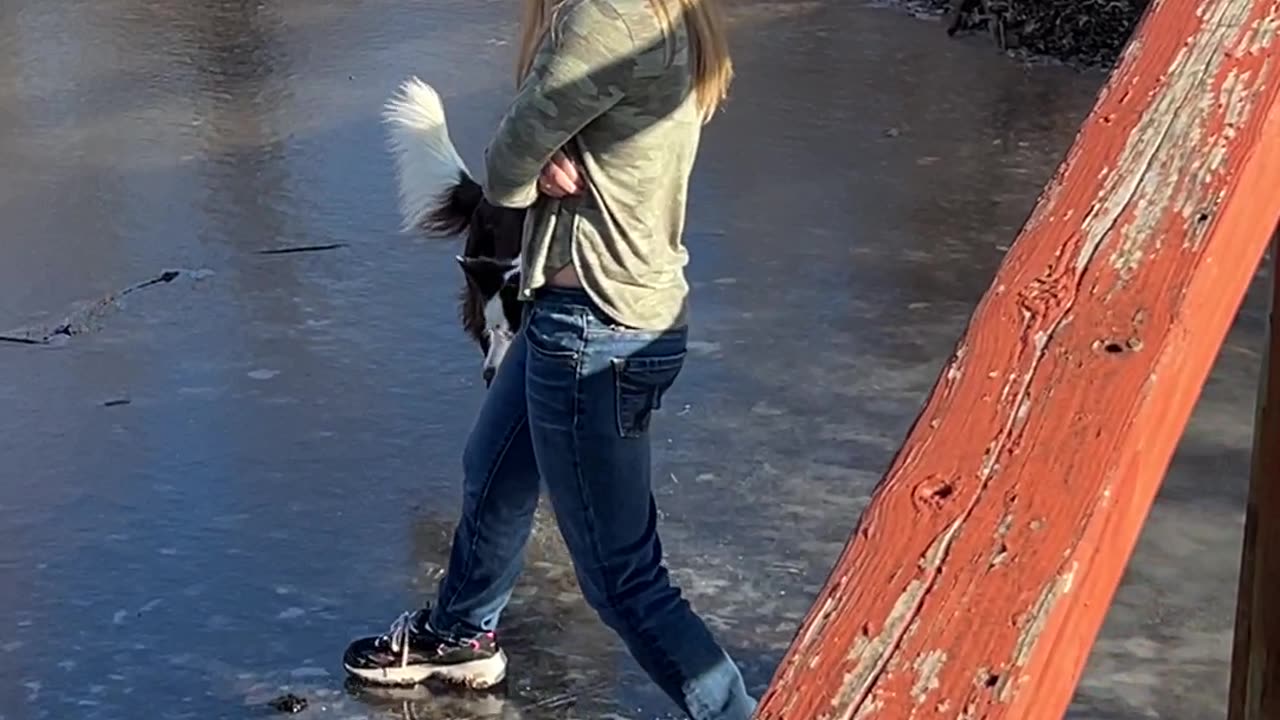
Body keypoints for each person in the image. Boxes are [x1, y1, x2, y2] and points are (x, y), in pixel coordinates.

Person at [344, 0, 755, 717]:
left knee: (623, 580)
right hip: (593, 308)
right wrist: (544, 158)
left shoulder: (607, 14)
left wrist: (532, 163)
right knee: (496, 470)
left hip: (593, 325)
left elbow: (507, 167)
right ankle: (460, 635)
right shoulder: (667, 9)